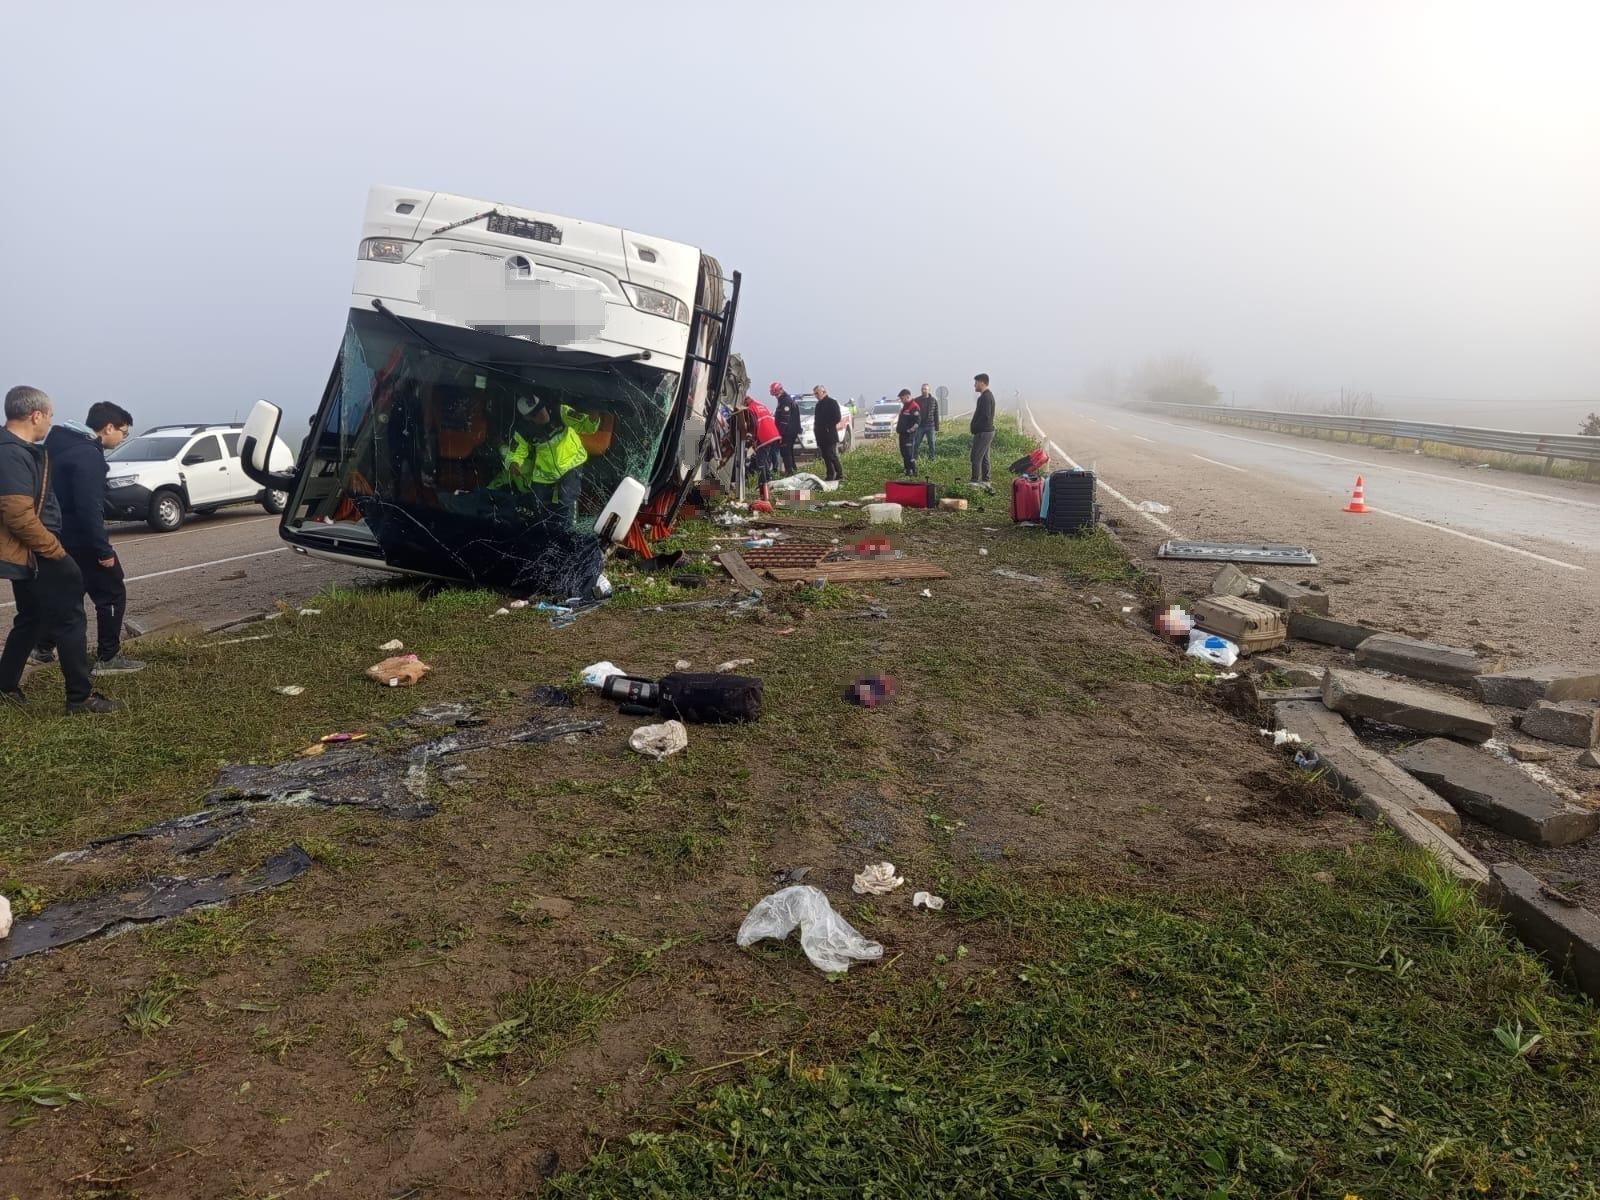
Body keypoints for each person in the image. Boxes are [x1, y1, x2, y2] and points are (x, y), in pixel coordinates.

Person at [0, 386, 120, 714]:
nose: (51, 422)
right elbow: (17, 514)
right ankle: (80, 698)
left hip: (31, 550)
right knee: (70, 619)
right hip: (39, 550)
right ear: (35, 415)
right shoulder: (11, 453)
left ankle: (5, 686)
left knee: (32, 617)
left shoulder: (21, 449)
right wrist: (56, 551)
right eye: (49, 416)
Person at [33, 401, 140, 674]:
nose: (123, 438)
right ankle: (108, 657)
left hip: (57, 534)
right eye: (124, 432)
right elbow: (88, 507)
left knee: (69, 592)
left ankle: (42, 648)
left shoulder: (59, 446)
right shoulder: (87, 455)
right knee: (112, 591)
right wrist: (103, 550)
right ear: (109, 427)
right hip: (81, 538)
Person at [488, 394, 600, 526]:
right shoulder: (523, 431)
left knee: (567, 496)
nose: (541, 415)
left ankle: (570, 529)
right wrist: (513, 463)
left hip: (572, 461)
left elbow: (587, 426)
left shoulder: (561, 411)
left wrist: (593, 417)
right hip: (546, 470)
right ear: (528, 418)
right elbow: (517, 452)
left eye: (541, 409)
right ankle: (545, 528)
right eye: (535, 414)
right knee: (538, 501)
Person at [741, 394, 782, 486]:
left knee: (760, 461)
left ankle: (763, 483)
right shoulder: (761, 405)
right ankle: (768, 479)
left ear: (746, 401)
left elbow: (753, 426)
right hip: (774, 434)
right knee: (765, 459)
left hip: (764, 436)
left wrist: (753, 440)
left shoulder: (750, 409)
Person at [969, 372, 997, 491]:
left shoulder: (985, 397)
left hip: (983, 432)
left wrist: (975, 427)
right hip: (987, 432)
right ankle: (986, 481)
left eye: (976, 382)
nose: (974, 385)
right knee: (984, 457)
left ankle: (974, 482)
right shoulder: (986, 396)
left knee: (975, 457)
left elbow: (985, 416)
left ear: (982, 382)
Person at [811, 384, 844, 482]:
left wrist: (827, 426)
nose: (816, 395)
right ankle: (830, 474)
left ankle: (840, 474)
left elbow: (837, 417)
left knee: (831, 455)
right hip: (820, 435)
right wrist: (816, 429)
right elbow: (817, 420)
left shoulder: (832, 402)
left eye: (817, 393)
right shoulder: (818, 405)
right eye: (815, 394)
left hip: (830, 434)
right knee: (825, 456)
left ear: (824, 392)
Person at [771, 383, 802, 475]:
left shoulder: (785, 401)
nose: (776, 396)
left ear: (781, 390)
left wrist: (780, 434)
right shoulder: (783, 400)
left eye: (776, 394)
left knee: (785, 451)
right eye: (774, 394)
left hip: (788, 432)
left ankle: (789, 471)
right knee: (789, 451)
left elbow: (785, 419)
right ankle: (793, 469)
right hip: (789, 431)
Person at [894, 389, 921, 475]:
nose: (901, 400)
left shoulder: (914, 406)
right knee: (904, 453)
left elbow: (917, 422)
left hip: (909, 435)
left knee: (909, 454)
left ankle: (914, 470)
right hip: (902, 434)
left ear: (907, 397)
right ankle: (907, 470)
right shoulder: (905, 406)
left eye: (902, 398)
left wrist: (909, 431)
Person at [914, 382, 939, 461]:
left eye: (925, 389)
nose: (923, 390)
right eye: (922, 389)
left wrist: (937, 427)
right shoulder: (917, 400)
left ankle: (932, 459)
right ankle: (914, 458)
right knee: (916, 443)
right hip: (920, 426)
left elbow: (936, 414)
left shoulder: (933, 400)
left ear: (929, 390)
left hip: (930, 425)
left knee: (932, 443)